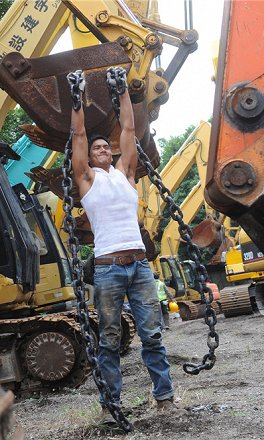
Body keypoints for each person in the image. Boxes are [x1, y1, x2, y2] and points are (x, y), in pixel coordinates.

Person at [67, 68, 176, 416]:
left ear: (111, 153)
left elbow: (130, 129)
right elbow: (78, 133)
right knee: (111, 340)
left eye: (104, 147)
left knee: (153, 336)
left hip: (140, 266)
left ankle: (165, 399)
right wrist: (77, 97)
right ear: (89, 156)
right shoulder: (86, 180)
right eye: (95, 148)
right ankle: (110, 406)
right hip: (108, 270)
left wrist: (122, 93)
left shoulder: (126, 175)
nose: (100, 149)